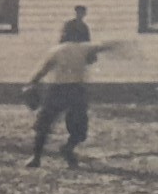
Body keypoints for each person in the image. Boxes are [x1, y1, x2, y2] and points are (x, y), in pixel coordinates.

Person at [24, 16, 118, 169]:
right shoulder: (84, 48)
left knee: (44, 125)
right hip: (76, 90)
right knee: (79, 128)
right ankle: (68, 147)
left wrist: (31, 84)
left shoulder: (56, 50)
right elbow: (102, 46)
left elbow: (41, 71)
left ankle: (36, 157)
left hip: (56, 89)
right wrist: (117, 45)